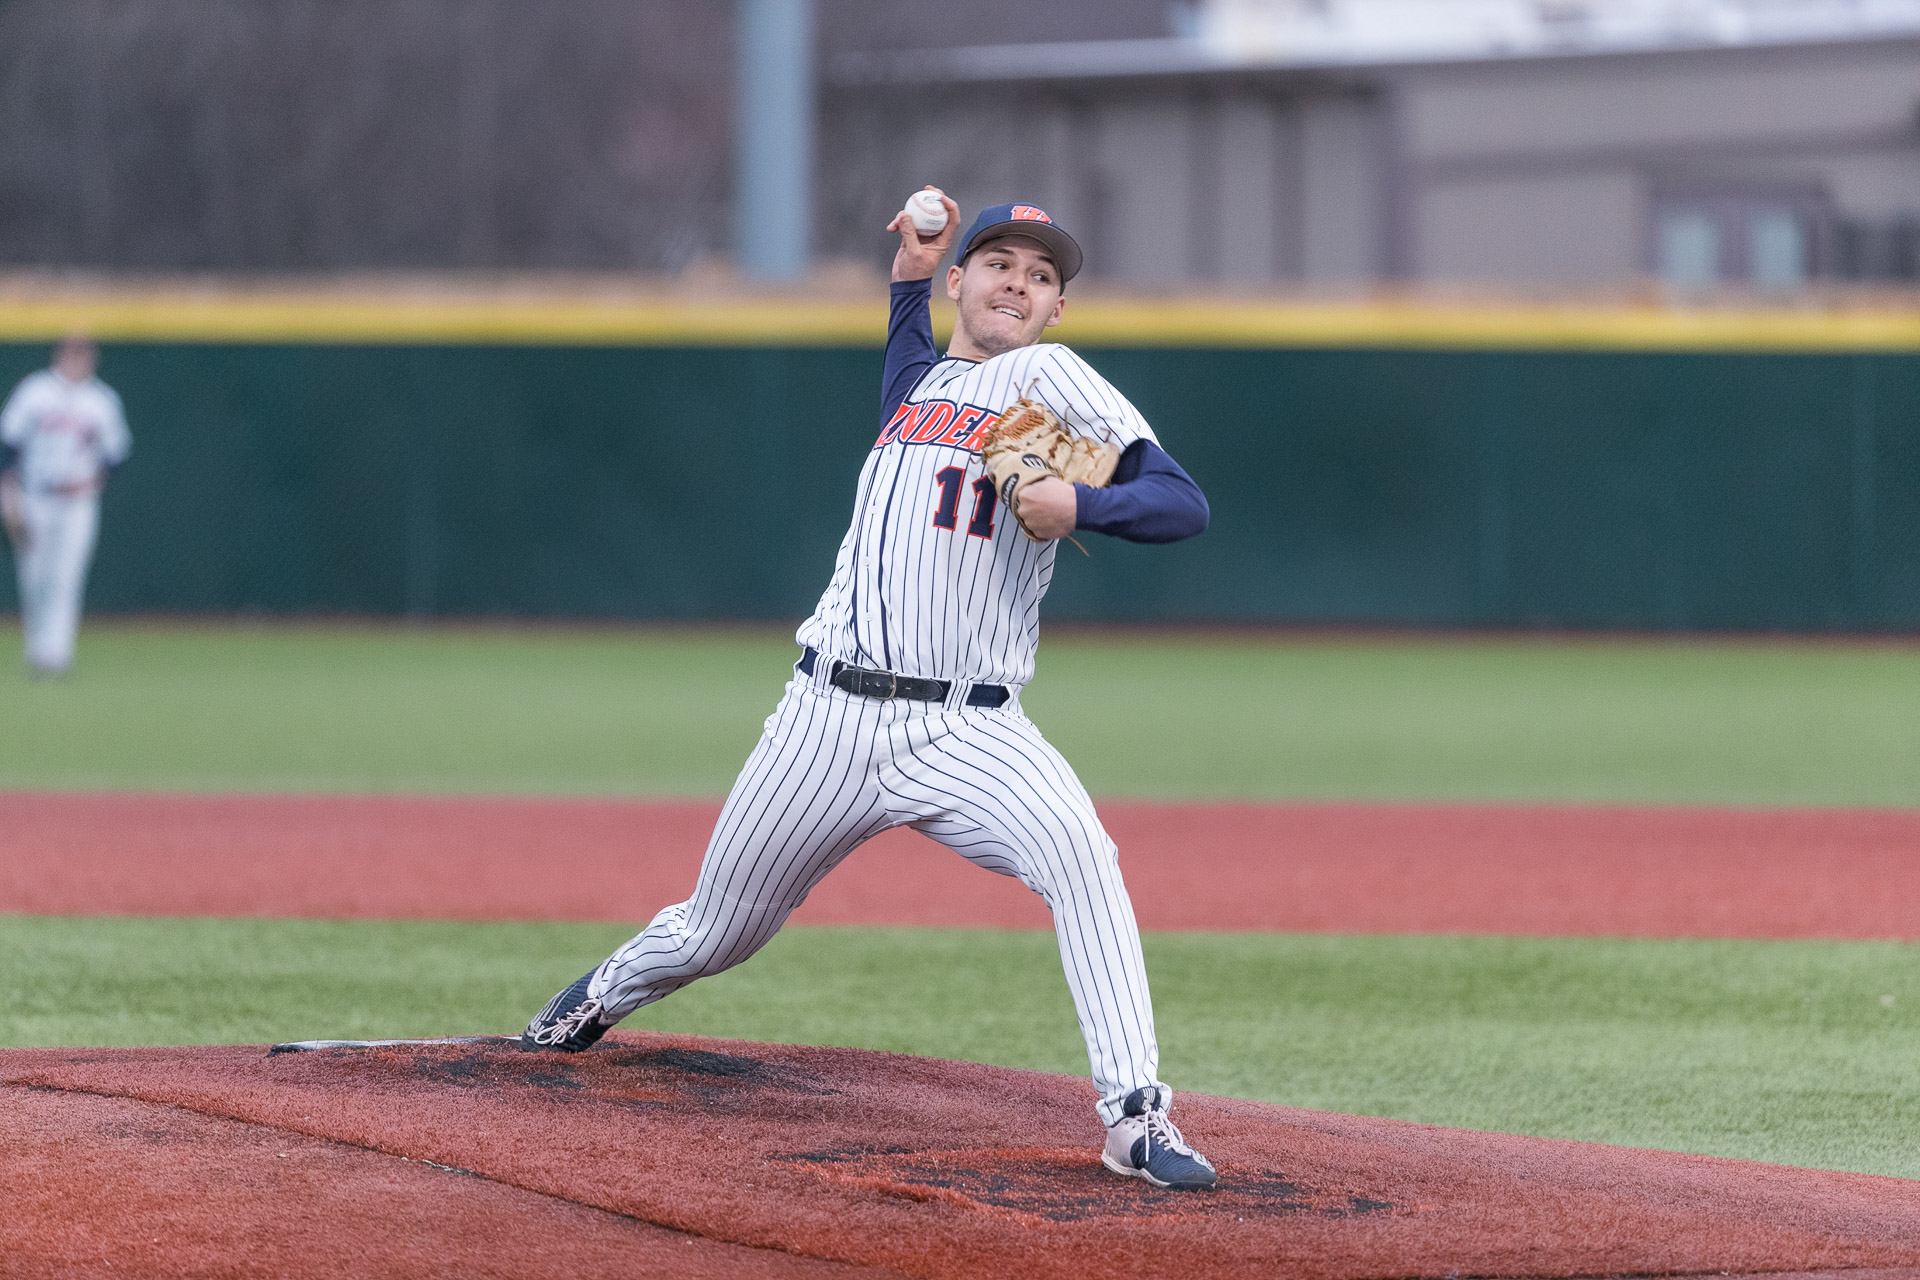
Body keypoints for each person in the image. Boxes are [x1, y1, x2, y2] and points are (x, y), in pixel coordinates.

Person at [523, 191, 1218, 1190]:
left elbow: (1182, 501)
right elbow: (905, 352)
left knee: (1082, 855)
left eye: (1041, 273)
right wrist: (904, 270)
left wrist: (1088, 502)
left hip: (967, 725)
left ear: (1058, 309)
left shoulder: (1053, 379)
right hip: (826, 718)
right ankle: (596, 995)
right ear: (959, 283)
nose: (1018, 281)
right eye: (999, 263)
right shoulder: (919, 384)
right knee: (715, 930)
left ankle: (1136, 1117)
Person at [0, 335, 131, 677]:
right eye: (72, 352)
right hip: (35, 496)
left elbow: (115, 456)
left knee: (67, 577)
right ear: (59, 354)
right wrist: (8, 498)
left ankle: (55, 655)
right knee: (34, 577)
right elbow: (9, 447)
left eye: (83, 353)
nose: (78, 359)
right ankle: (36, 650)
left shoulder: (101, 399)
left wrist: (93, 483)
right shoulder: (35, 391)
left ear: (92, 358)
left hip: (78, 502)